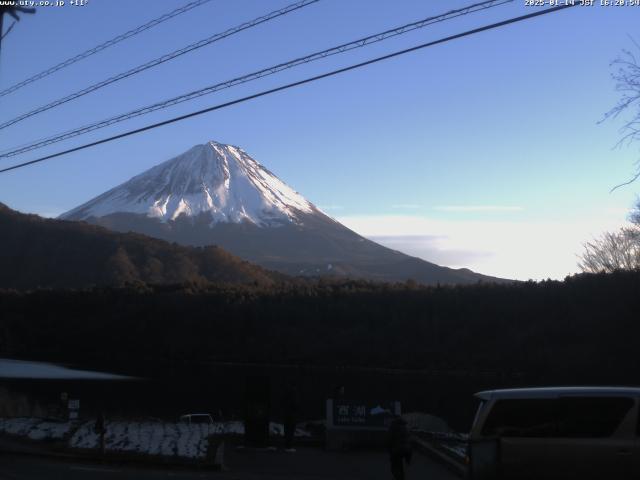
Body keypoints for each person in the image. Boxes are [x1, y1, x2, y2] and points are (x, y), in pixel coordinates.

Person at [388, 414, 412, 480]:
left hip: (397, 449)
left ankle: (397, 477)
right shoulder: (405, 426)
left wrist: (389, 450)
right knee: (400, 464)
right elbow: (409, 439)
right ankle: (401, 476)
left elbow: (390, 439)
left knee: (394, 465)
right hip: (407, 449)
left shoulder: (393, 426)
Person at [282, 382, 299, 452]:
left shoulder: (286, 394)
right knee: (291, 430)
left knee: (287, 429)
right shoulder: (293, 394)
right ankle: (289, 446)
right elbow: (295, 404)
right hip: (291, 414)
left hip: (286, 414)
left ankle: (287, 445)